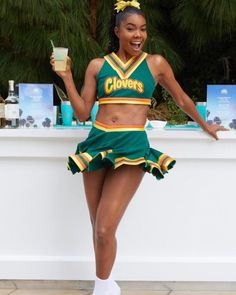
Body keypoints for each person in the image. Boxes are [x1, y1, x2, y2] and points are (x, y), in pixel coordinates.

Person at [50, 1, 226, 294]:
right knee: (98, 229)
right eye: (130, 28)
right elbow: (82, 113)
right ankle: (104, 284)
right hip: (97, 144)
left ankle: (104, 288)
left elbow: (181, 99)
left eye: (143, 29)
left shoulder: (155, 64)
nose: (138, 35)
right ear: (117, 30)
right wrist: (67, 77)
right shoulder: (98, 66)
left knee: (105, 228)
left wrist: (205, 124)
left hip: (131, 147)